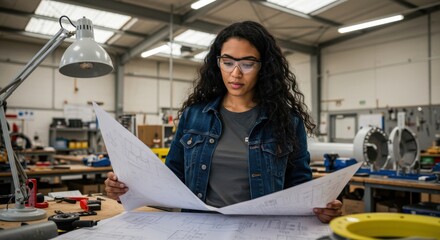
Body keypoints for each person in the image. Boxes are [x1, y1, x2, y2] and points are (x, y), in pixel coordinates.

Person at [105, 21, 342, 223]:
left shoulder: (287, 121)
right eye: (227, 62)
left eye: (247, 64)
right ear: (217, 63)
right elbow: (170, 179)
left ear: (264, 67)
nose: (235, 73)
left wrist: (320, 208)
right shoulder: (194, 115)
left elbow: (299, 185)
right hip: (198, 227)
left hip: (261, 229)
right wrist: (128, 189)